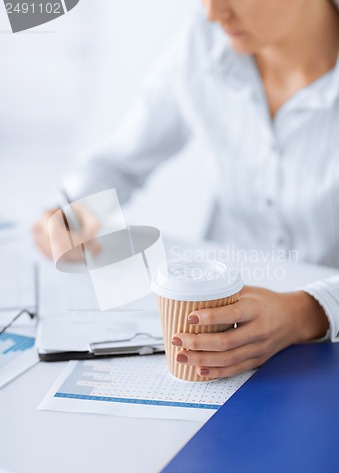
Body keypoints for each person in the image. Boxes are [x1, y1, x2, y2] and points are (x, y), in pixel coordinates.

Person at [33, 0, 339, 379]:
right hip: (213, 334)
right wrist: (74, 213)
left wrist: (305, 311)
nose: (213, 12)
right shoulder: (204, 42)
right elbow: (122, 159)